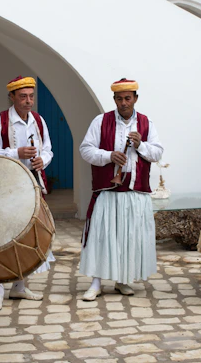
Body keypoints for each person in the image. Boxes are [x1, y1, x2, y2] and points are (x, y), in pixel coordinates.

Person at [79, 78, 164, 301]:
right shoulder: (101, 121)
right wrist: (108, 156)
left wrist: (140, 145)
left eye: (128, 98)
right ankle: (96, 283)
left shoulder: (146, 123)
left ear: (136, 98)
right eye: (119, 99)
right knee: (102, 236)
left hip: (136, 192)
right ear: (114, 99)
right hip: (108, 190)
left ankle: (123, 280)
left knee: (130, 237)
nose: (124, 103)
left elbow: (157, 153)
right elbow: (85, 150)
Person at [0, 75, 55, 311]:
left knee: (26, 236)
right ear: (12, 97)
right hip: (6, 188)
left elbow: (49, 149)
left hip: (31, 185)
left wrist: (43, 159)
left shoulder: (39, 121)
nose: (28, 101)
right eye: (23, 96)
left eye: (31, 96)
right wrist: (17, 153)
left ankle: (20, 286)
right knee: (4, 237)